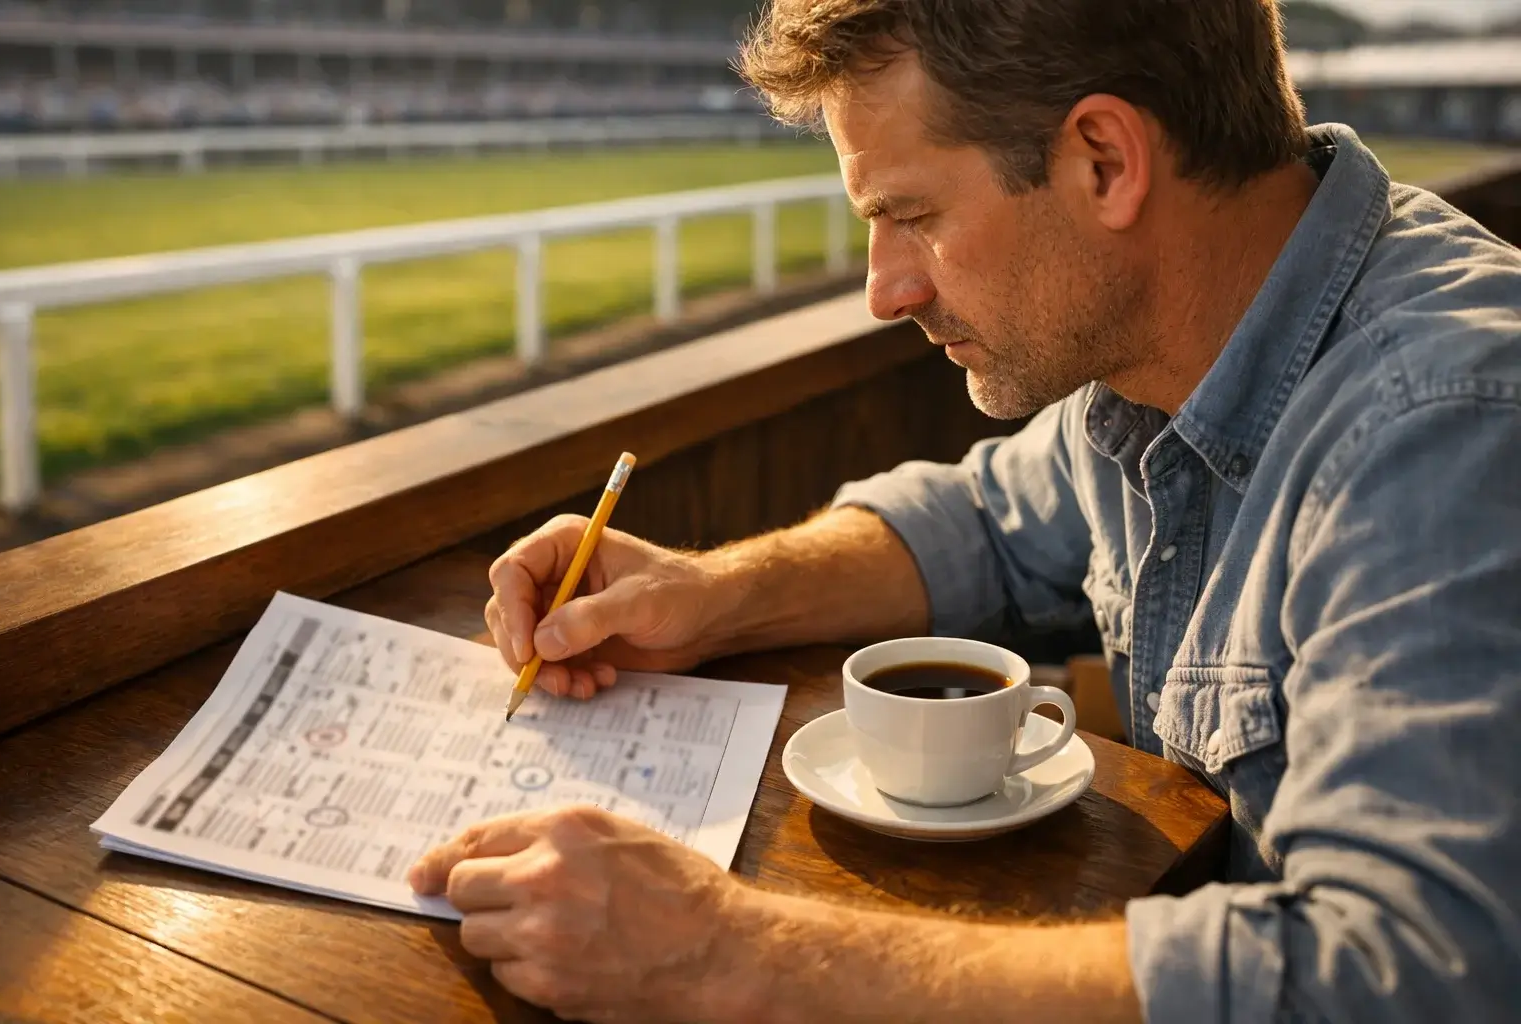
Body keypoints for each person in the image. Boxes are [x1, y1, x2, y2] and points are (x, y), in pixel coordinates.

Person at [407, 1, 1521, 1020]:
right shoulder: (1162, 344)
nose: (885, 289)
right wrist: (712, 593)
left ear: (1104, 162)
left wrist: (722, 954)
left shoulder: (1445, 424)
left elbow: (1408, 975)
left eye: (912, 214)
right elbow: (984, 521)